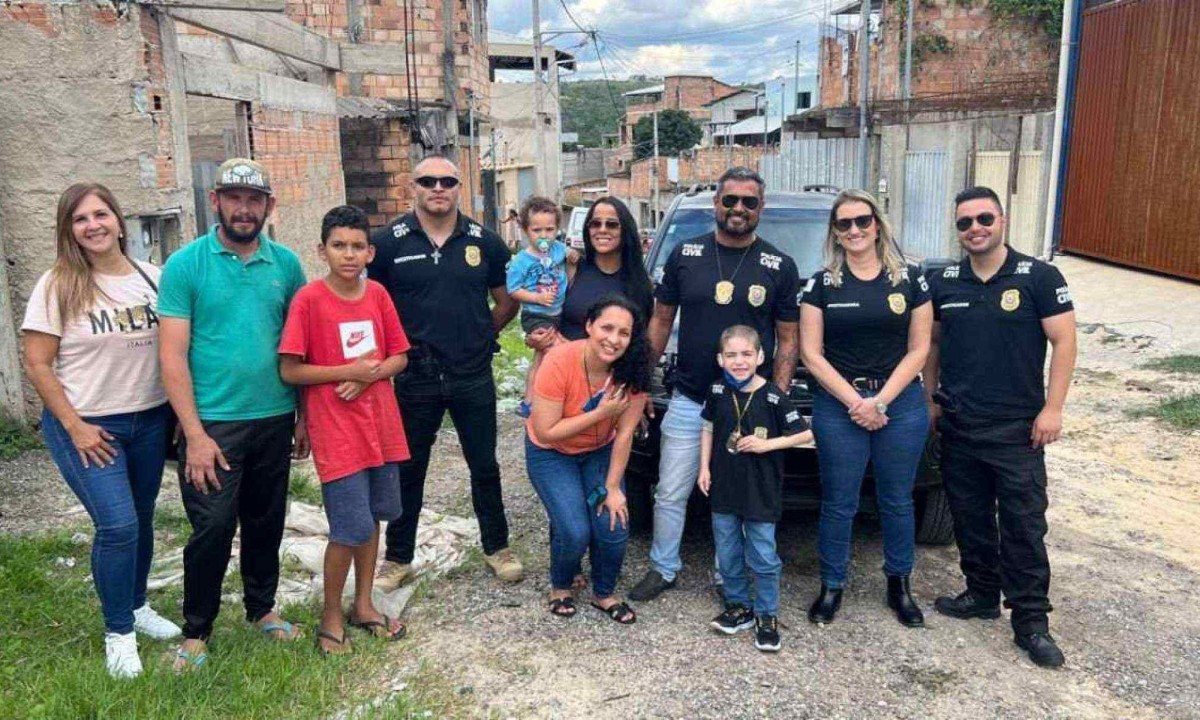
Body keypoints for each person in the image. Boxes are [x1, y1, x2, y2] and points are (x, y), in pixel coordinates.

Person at [21, 183, 181, 678]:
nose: (93, 225)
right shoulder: (59, 284)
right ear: (68, 230)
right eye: (80, 219)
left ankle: (136, 607)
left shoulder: (152, 278)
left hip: (150, 419)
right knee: (118, 526)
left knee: (143, 517)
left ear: (118, 218)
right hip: (91, 426)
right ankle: (119, 634)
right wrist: (76, 427)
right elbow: (37, 362)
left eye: (100, 214)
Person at [158, 158, 309, 670]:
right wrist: (194, 434)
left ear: (268, 206)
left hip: (274, 417)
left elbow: (299, 347)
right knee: (213, 527)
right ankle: (196, 630)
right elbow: (172, 355)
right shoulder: (186, 264)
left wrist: (303, 416)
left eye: (254, 200)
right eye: (233, 198)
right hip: (213, 424)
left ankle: (261, 609)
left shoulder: (286, 264)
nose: (244, 209)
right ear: (216, 202)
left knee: (266, 520)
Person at [630, 166, 801, 602]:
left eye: (748, 201)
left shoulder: (779, 265)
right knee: (670, 490)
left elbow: (787, 339)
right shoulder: (685, 255)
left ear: (760, 208)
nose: (738, 209)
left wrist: (775, 397)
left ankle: (730, 578)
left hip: (746, 407)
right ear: (716, 205)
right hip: (690, 396)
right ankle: (663, 567)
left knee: (736, 498)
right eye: (730, 200)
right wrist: (641, 384)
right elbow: (660, 322)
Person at [924, 186, 1077, 668]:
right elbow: (931, 344)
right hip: (960, 424)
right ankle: (982, 594)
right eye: (965, 222)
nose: (975, 229)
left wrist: (1053, 410)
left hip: (1017, 429)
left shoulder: (1039, 276)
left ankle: (1031, 622)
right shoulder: (943, 281)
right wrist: (931, 399)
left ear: (1002, 219)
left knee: (1023, 526)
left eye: (983, 218)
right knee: (969, 518)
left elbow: (1065, 343)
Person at [367, 155, 522, 590]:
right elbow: (372, 307)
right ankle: (398, 559)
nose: (439, 187)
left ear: (458, 186)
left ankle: (498, 547)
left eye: (448, 181)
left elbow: (507, 300)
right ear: (411, 186)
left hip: (471, 372)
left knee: (484, 465)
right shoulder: (388, 243)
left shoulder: (485, 242)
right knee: (408, 469)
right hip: (414, 376)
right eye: (428, 180)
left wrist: (480, 333)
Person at [278, 205, 411, 655]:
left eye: (357, 246)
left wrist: (370, 375)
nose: (349, 255)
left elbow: (399, 357)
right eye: (339, 246)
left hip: (381, 427)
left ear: (370, 252)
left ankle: (365, 604)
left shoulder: (377, 296)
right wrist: (344, 371)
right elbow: (291, 370)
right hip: (337, 432)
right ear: (322, 250)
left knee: (374, 515)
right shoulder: (309, 301)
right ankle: (330, 613)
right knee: (348, 527)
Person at [798, 189, 933, 627]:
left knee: (897, 500)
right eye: (844, 224)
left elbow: (919, 350)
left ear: (878, 224)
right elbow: (811, 355)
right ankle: (832, 585)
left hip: (900, 403)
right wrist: (858, 402)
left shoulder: (911, 280)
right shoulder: (820, 285)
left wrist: (880, 401)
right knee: (839, 502)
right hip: (841, 405)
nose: (854, 230)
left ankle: (900, 585)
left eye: (862, 221)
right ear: (834, 233)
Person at [526, 295, 649, 624]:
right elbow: (547, 430)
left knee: (613, 523)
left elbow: (624, 435)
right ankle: (561, 584)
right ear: (589, 326)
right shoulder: (559, 361)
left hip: (600, 450)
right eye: (607, 328)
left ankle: (604, 593)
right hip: (551, 452)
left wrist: (612, 487)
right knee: (575, 530)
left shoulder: (634, 369)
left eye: (624, 332)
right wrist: (601, 413)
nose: (614, 339)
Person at [698, 325, 811, 652]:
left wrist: (768, 444)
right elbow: (707, 428)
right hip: (724, 487)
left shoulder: (774, 395)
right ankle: (739, 606)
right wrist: (703, 467)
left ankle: (766, 614)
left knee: (762, 554)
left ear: (761, 356)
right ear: (720, 359)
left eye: (746, 354)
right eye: (731, 355)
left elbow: (804, 435)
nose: (739, 361)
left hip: (760, 491)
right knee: (728, 551)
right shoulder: (717, 390)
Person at [527, 196, 654, 347]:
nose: (602, 229)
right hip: (561, 364)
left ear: (626, 229)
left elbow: (641, 341)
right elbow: (539, 313)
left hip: (612, 369)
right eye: (595, 224)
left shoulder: (639, 283)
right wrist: (534, 338)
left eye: (612, 225)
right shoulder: (571, 267)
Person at [506, 196, 570, 418]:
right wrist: (536, 298)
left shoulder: (558, 250)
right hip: (535, 314)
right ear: (525, 230)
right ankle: (549, 400)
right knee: (554, 350)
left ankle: (528, 402)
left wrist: (575, 257)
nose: (544, 235)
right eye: (537, 230)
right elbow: (513, 290)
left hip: (558, 312)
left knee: (541, 359)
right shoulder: (521, 261)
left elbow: (573, 256)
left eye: (549, 230)